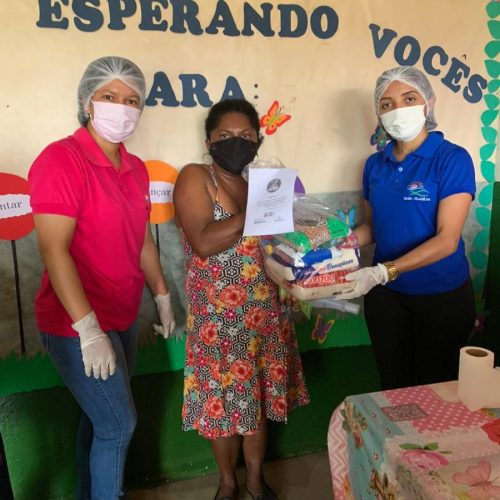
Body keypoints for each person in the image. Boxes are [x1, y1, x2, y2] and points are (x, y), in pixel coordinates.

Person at [28, 56, 175, 500]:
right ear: (87, 102)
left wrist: (163, 296)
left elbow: (142, 241)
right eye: (109, 97)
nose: (122, 108)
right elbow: (54, 249)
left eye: (132, 100)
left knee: (100, 422)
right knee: (118, 425)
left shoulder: (135, 168)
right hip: (75, 324)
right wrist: (87, 329)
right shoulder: (61, 159)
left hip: (122, 316)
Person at [174, 99, 309, 500]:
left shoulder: (260, 184)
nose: (236, 143)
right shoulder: (195, 177)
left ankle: (254, 481)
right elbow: (203, 241)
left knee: (257, 404)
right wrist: (260, 209)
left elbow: (277, 245)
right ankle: (227, 483)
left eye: (246, 136)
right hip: (218, 321)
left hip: (264, 315)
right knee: (221, 407)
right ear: (208, 141)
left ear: (258, 140)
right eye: (226, 137)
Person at [337, 66, 476, 390]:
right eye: (387, 104)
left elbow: (447, 239)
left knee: (437, 388)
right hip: (386, 299)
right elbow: (372, 228)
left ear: (428, 102)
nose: (397, 110)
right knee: (394, 386)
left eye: (408, 98)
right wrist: (334, 248)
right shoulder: (374, 164)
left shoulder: (451, 159)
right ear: (379, 113)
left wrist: (384, 270)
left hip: (441, 297)